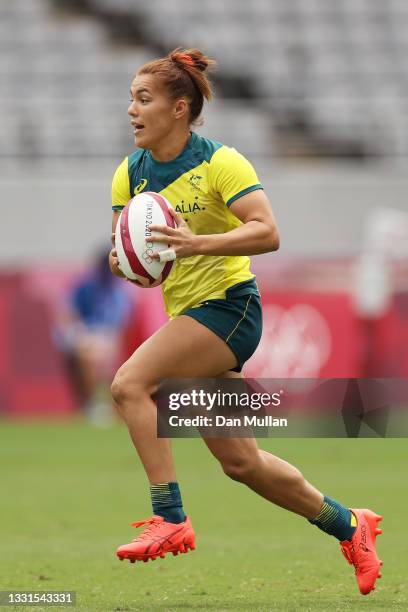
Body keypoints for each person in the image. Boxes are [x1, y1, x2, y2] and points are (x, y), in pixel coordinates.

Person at [109, 48, 382, 596]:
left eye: (144, 100)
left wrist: (195, 245)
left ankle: (170, 516)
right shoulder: (130, 174)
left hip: (232, 309)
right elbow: (124, 254)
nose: (132, 111)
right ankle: (350, 525)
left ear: (179, 108)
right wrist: (128, 262)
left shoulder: (221, 163)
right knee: (242, 461)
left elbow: (267, 231)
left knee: (130, 384)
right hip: (192, 313)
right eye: (131, 100)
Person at [59, 248, 131, 425]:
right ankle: (94, 403)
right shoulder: (85, 286)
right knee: (89, 355)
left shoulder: (120, 292)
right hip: (83, 333)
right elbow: (68, 316)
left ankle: (107, 404)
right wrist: (79, 334)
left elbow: (118, 326)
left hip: (106, 337)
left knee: (104, 354)